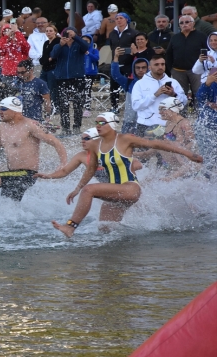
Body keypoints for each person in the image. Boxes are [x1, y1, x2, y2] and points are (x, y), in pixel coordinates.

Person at [50, 112, 203, 238]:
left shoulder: (125, 139)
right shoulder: (96, 145)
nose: (98, 125)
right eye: (96, 122)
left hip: (130, 188)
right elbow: (90, 170)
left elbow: (156, 144)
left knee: (89, 190)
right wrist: (77, 190)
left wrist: (188, 154)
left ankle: (70, 227)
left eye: (102, 122)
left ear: (112, 125)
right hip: (115, 193)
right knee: (105, 231)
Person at [35, 126, 143, 184]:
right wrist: (48, 176)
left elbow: (138, 165)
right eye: (82, 138)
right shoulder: (81, 156)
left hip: (126, 185)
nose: (83, 141)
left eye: (87, 139)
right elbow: (64, 171)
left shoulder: (110, 151)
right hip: (109, 189)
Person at [132, 54, 187, 137]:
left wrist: (173, 94)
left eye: (162, 64)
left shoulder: (173, 82)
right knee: (144, 150)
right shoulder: (139, 84)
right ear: (149, 67)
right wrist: (155, 95)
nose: (160, 67)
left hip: (168, 125)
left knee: (167, 150)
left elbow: (184, 102)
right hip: (146, 124)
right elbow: (136, 106)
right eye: (156, 64)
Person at [50, 27, 89, 134]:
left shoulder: (79, 44)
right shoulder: (59, 45)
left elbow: (86, 47)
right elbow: (53, 55)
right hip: (62, 78)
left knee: (78, 103)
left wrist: (76, 37)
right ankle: (65, 128)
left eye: (71, 34)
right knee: (63, 104)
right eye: (66, 34)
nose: (69, 37)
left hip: (78, 77)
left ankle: (77, 126)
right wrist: (61, 44)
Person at [166, 15, 207, 104]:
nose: (184, 24)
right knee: (179, 94)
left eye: (187, 22)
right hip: (178, 71)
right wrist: (171, 69)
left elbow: (207, 52)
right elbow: (169, 54)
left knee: (199, 93)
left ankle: (199, 115)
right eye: (181, 23)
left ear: (193, 23)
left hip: (197, 72)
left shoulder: (202, 36)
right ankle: (181, 116)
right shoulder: (175, 37)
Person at [111, 49, 148, 134]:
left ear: (148, 68)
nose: (140, 70)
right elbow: (115, 75)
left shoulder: (154, 83)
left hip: (147, 121)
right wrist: (116, 57)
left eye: (143, 67)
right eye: (137, 68)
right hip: (129, 121)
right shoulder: (129, 82)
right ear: (133, 69)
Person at [108, 12, 138, 113]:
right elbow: (111, 47)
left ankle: (131, 106)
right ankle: (114, 107)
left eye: (121, 18)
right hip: (116, 62)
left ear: (126, 20)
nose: (119, 20)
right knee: (113, 86)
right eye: (117, 18)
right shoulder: (112, 33)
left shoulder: (133, 33)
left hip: (128, 63)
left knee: (129, 86)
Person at [14, 60, 52, 124]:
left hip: (34, 119)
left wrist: (47, 117)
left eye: (23, 72)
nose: (20, 75)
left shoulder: (40, 83)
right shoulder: (17, 82)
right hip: (19, 119)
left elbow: (47, 102)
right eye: (18, 72)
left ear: (31, 70)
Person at [195, 70, 217, 173]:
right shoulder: (208, 86)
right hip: (207, 127)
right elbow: (200, 97)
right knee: (208, 157)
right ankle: (206, 177)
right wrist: (207, 83)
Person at [39, 24, 61, 113]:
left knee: (53, 88)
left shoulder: (58, 41)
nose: (48, 33)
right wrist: (46, 60)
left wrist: (48, 59)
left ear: (55, 32)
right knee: (42, 87)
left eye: (50, 31)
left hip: (53, 68)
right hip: (45, 67)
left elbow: (54, 56)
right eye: (47, 31)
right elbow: (45, 56)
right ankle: (47, 106)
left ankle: (56, 107)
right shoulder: (46, 43)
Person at [82, 34, 100, 118]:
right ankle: (81, 106)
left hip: (90, 73)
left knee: (87, 90)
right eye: (83, 41)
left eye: (86, 41)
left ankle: (87, 108)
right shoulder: (78, 50)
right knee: (80, 90)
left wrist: (88, 53)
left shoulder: (94, 50)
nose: (84, 43)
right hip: (80, 73)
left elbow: (96, 58)